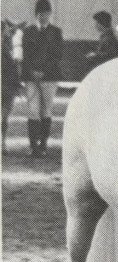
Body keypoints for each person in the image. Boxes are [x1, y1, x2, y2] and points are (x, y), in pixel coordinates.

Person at [22, 0, 63, 157]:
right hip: (31, 77)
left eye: (46, 14)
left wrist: (43, 72)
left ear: (50, 14)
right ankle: (33, 146)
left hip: (49, 77)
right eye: (40, 14)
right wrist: (33, 72)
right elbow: (26, 55)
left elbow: (57, 56)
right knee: (33, 110)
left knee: (46, 109)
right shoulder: (28, 31)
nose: (43, 17)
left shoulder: (56, 32)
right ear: (36, 15)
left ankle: (43, 144)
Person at [1, 20, 22, 153]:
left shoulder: (11, 44)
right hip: (7, 85)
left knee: (4, 117)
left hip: (7, 85)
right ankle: (2, 144)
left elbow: (15, 66)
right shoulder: (8, 45)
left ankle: (3, 143)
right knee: (4, 117)